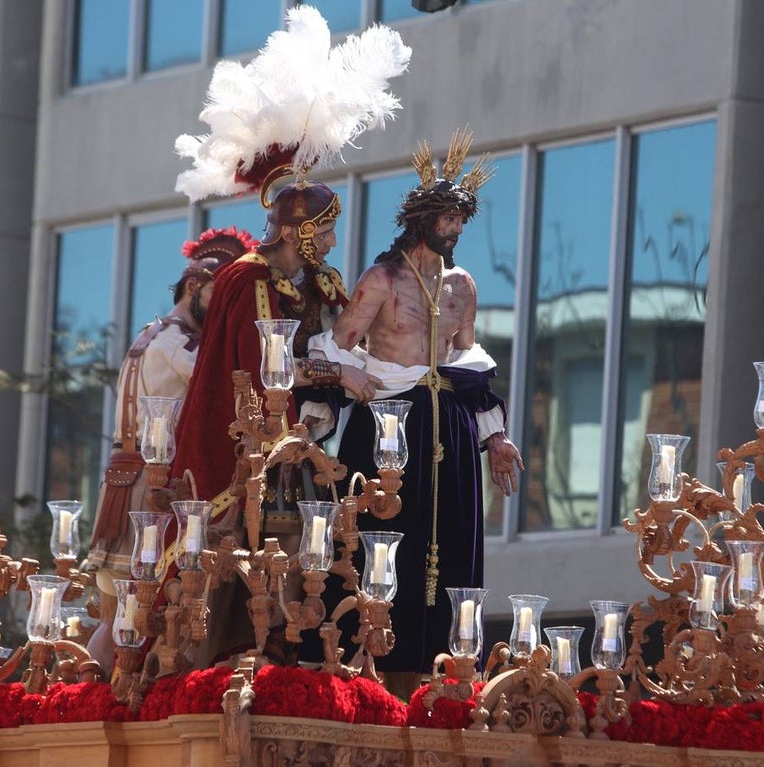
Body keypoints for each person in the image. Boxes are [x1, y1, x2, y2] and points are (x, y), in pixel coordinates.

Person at [310, 133, 524, 682]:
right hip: (388, 419)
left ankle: (447, 670)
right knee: (382, 543)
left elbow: (469, 366)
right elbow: (334, 348)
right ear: (423, 219)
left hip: (449, 425)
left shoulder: (462, 286)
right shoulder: (382, 279)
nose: (456, 230)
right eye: (449, 219)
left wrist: (496, 437)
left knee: (451, 545)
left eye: (461, 221)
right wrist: (347, 375)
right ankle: (368, 662)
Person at [171, 177, 382, 664]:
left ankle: (277, 658)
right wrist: (341, 374)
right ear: (292, 232)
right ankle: (223, 664)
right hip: (249, 443)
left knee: (296, 557)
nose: (332, 242)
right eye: (323, 232)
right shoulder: (250, 279)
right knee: (246, 558)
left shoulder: (313, 280)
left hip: (295, 443)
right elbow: (270, 368)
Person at [85, 226, 257, 672]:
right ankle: (97, 696)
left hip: (122, 476)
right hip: (148, 483)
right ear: (194, 286)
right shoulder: (177, 341)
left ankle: (94, 693)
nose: (223, 310)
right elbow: (219, 382)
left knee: (118, 609)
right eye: (219, 296)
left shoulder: (149, 333)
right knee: (129, 608)